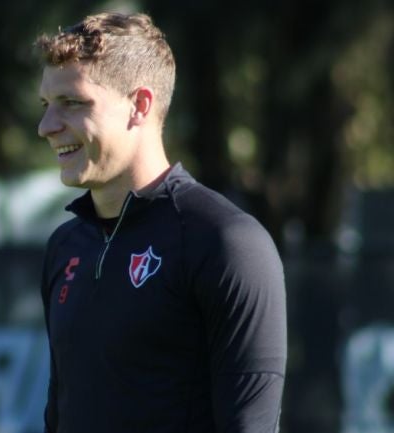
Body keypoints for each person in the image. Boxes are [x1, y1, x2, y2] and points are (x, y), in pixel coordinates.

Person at [35, 12, 287, 433]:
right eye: (46, 105)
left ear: (140, 105)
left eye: (72, 103)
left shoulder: (226, 243)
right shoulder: (66, 246)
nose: (46, 127)